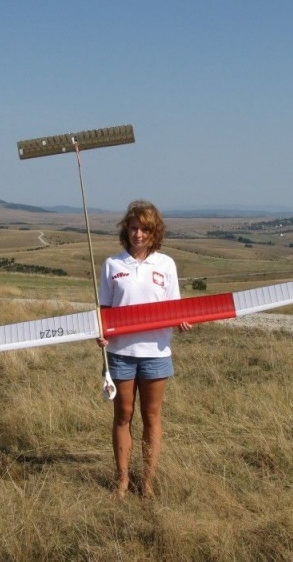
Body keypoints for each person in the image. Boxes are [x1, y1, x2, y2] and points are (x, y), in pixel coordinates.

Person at [97, 200, 190, 498]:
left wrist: (182, 321)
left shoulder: (166, 265)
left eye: (144, 229)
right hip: (121, 353)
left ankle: (147, 481)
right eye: (133, 228)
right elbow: (104, 311)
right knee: (123, 415)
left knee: (152, 416)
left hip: (156, 353)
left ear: (154, 232)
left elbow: (175, 307)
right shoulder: (112, 265)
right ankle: (122, 479)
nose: (138, 234)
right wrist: (100, 334)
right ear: (127, 230)